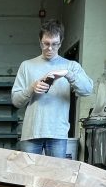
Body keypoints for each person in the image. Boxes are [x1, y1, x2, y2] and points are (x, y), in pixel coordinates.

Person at [11, 19, 92, 158]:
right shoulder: (27, 66)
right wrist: (31, 88)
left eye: (55, 44)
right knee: (27, 177)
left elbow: (87, 90)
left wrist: (68, 74)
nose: (50, 48)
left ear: (61, 42)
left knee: (56, 178)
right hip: (31, 132)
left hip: (57, 133)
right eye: (46, 44)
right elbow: (16, 101)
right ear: (40, 41)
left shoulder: (70, 66)